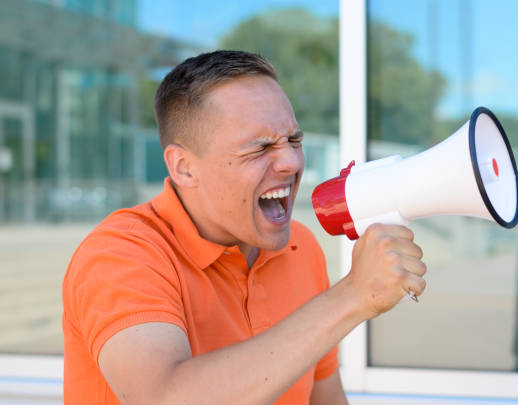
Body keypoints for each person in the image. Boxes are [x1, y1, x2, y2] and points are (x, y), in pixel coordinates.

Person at [62, 50, 427, 405]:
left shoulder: (301, 246)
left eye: (294, 140)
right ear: (184, 167)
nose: (290, 161)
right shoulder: (120, 254)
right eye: (260, 147)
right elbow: (162, 397)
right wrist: (350, 297)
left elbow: (325, 397)